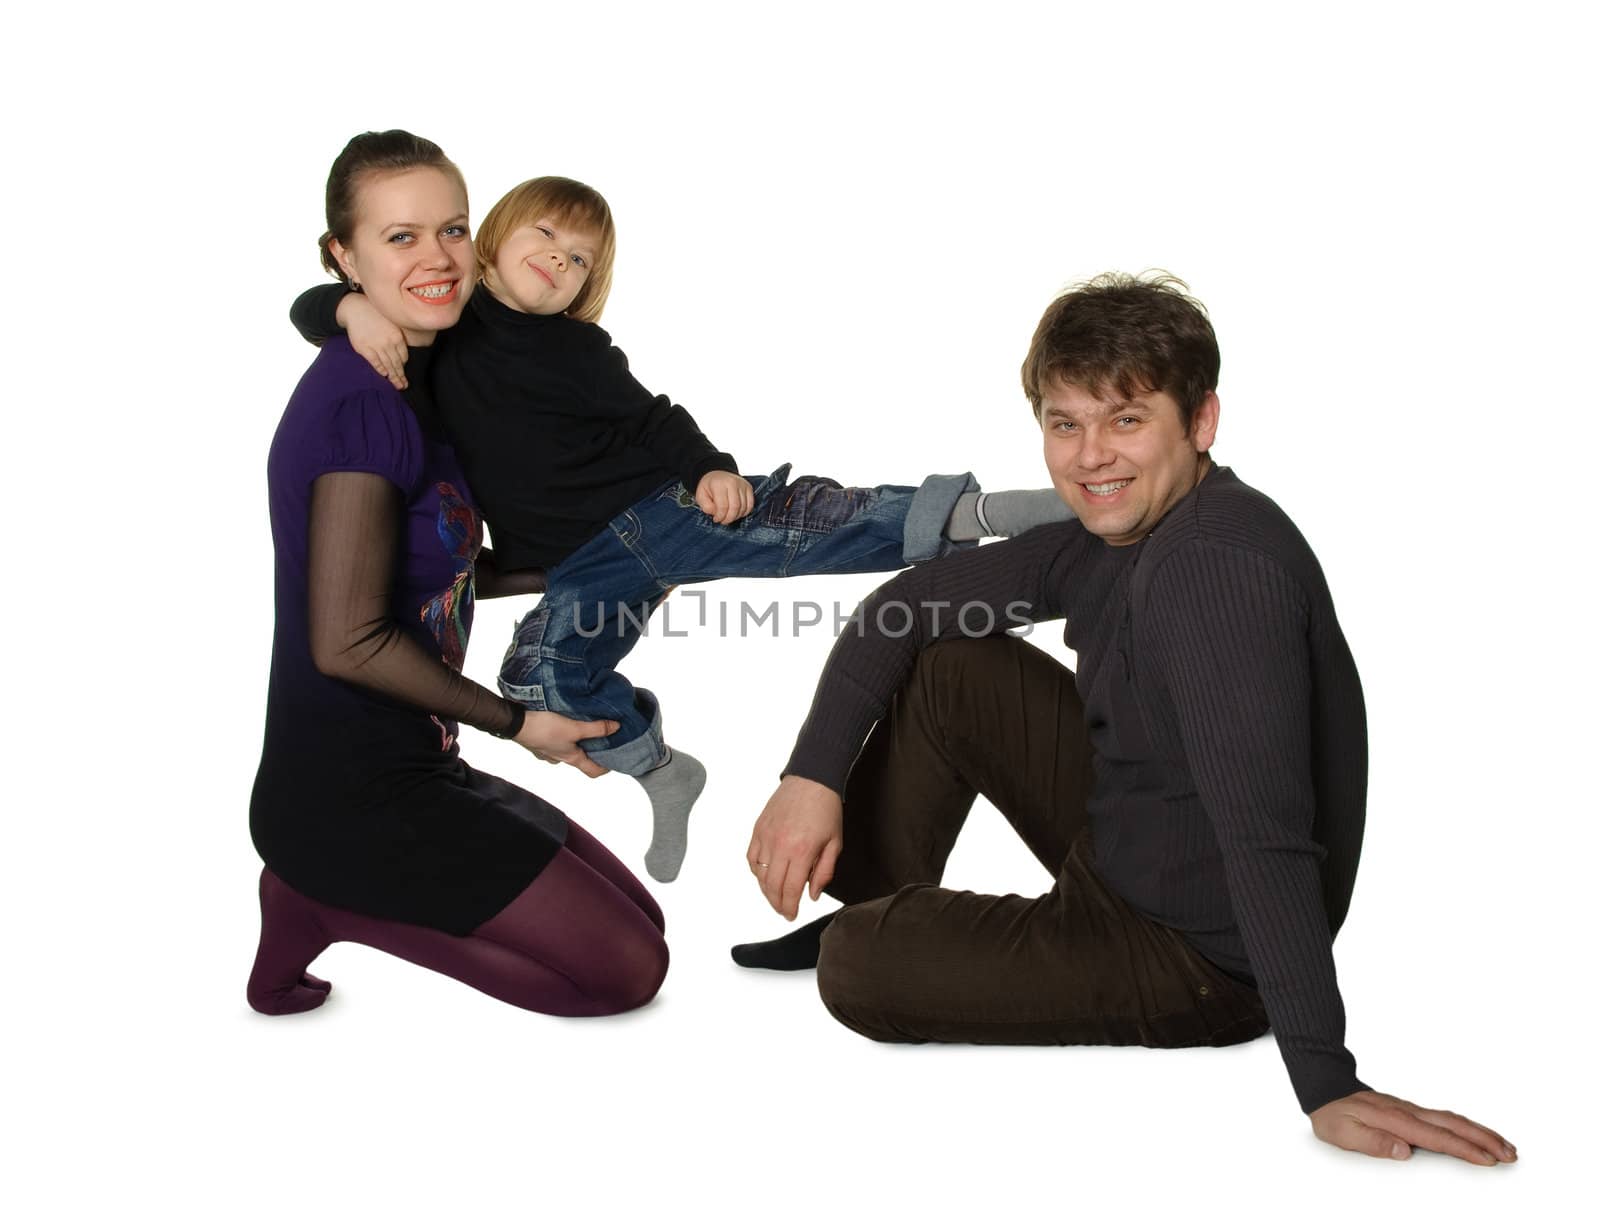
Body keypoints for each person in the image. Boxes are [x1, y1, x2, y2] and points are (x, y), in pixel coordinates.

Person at [735, 272, 1517, 1165]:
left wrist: (1325, 1078)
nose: (1091, 456)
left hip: (1198, 954)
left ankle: (883, 929)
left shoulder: (1210, 568)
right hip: (1134, 834)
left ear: (1201, 422)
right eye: (1066, 424)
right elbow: (905, 604)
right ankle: (882, 901)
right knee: (953, 663)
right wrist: (813, 774)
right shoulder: (1113, 532)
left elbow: (1266, 838)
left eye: (1127, 419)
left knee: (859, 967)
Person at [290, 174, 1070, 882]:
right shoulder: (443, 331)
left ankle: (979, 513)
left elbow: (655, 419)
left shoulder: (579, 350)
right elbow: (308, 308)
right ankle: (661, 767)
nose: (562, 262)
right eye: (545, 238)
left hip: (654, 514)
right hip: (582, 567)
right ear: (493, 240)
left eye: (581, 262)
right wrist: (351, 305)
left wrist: (710, 469)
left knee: (794, 528)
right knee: (538, 680)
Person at [248, 131, 668, 1020]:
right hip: (341, 798)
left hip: (421, 760)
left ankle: (326, 890)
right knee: (623, 972)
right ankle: (318, 900)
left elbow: (451, 567)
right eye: (400, 237)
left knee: (647, 922)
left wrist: (633, 555)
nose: (438, 257)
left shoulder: (425, 372)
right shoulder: (364, 407)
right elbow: (349, 641)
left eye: (453, 229)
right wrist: (522, 725)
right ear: (344, 254)